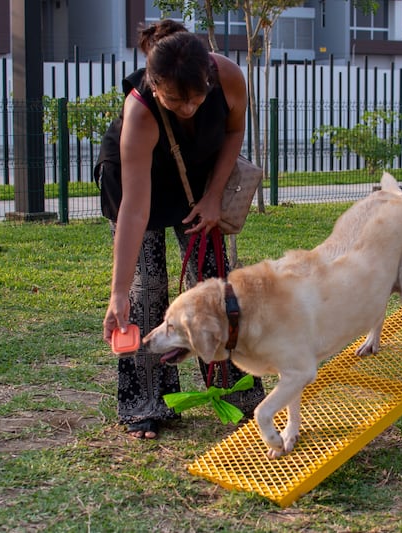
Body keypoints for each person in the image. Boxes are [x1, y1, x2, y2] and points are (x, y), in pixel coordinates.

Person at [102, 20, 264, 440]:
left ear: (209, 77)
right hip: (137, 181)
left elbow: (233, 130)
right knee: (147, 289)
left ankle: (239, 395)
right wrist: (118, 292)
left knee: (212, 287)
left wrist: (212, 197)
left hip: (196, 177)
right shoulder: (140, 113)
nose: (188, 108)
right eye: (176, 100)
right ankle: (146, 406)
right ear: (155, 86)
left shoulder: (227, 75)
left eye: (196, 98)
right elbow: (135, 212)